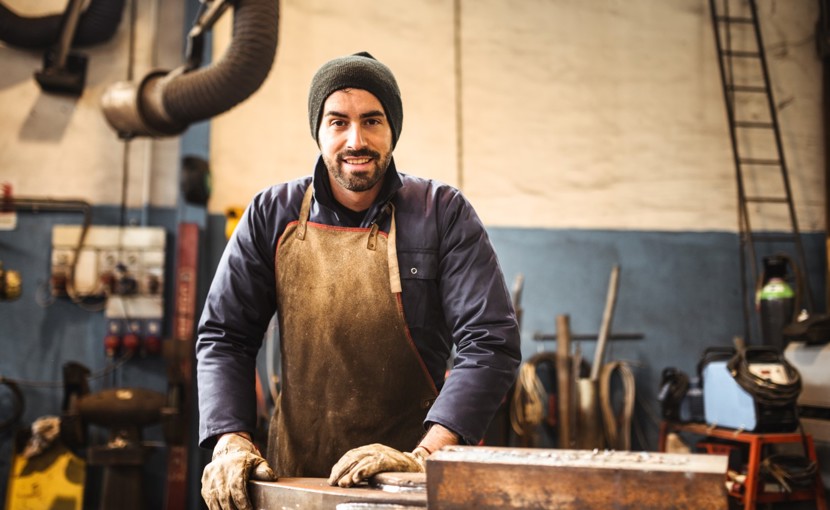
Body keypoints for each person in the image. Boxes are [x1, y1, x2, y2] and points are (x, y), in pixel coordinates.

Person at [196, 51, 521, 510]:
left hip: (409, 487)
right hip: (294, 483)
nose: (356, 139)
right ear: (319, 131)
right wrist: (230, 440)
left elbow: (490, 342)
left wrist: (428, 456)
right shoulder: (272, 214)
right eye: (338, 122)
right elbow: (225, 336)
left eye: (372, 121)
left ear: (393, 130)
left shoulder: (442, 213)